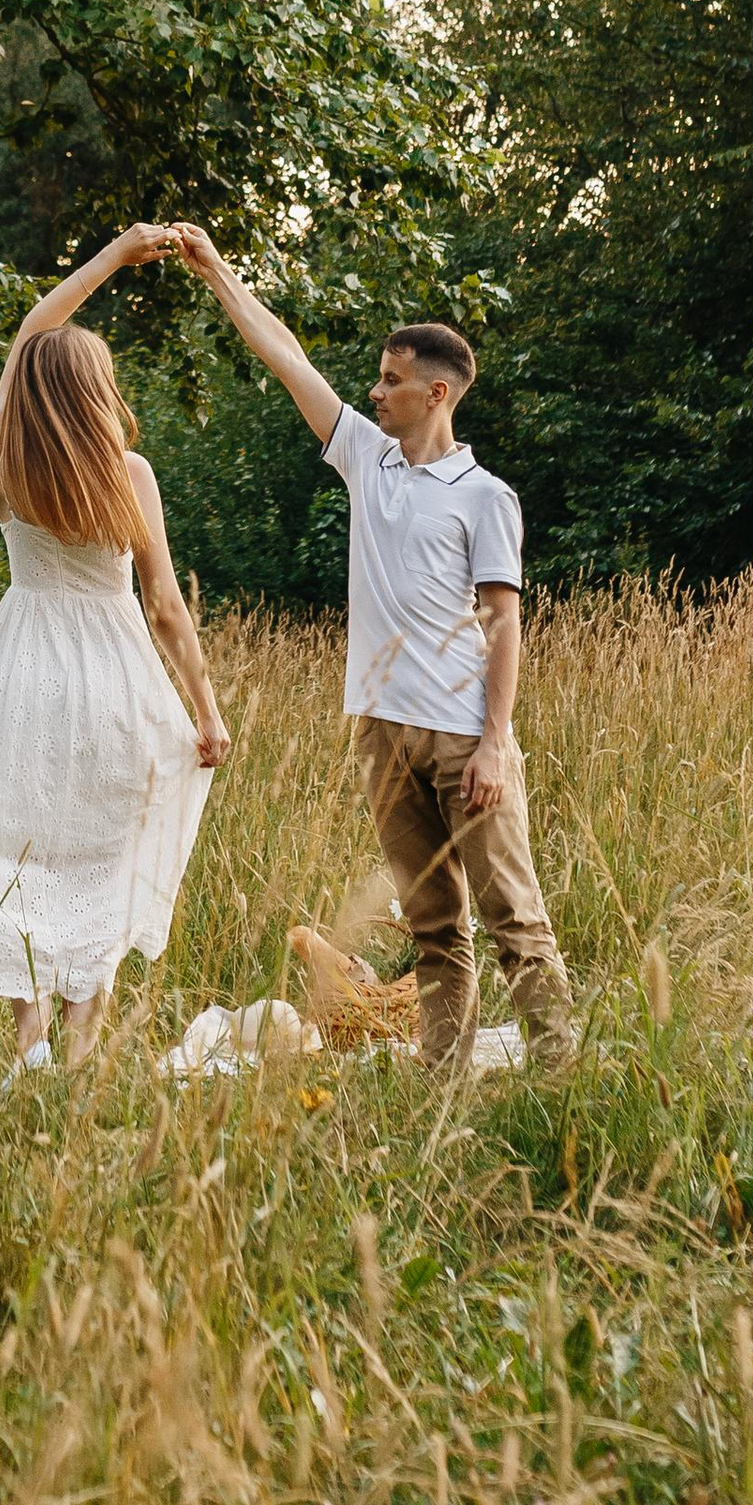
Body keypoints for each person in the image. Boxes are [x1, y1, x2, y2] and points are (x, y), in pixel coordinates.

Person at [168, 228, 576, 1070]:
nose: (375, 391)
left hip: (463, 738)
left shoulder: (486, 497)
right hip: (384, 735)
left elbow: (504, 622)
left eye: (391, 380)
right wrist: (216, 271)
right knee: (433, 927)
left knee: (513, 919)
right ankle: (442, 1076)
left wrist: (494, 741)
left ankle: (561, 1069)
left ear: (436, 393)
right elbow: (286, 358)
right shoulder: (367, 458)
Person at [0, 225, 232, 1071]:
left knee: (17, 851)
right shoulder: (129, 475)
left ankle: (31, 1043)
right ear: (99, 391)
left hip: (21, 672)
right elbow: (165, 606)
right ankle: (83, 1045)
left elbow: (32, 330)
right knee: (104, 855)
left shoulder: (4, 458)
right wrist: (206, 709)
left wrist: (111, 257)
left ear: (25, 388)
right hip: (114, 676)